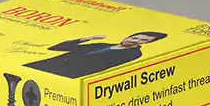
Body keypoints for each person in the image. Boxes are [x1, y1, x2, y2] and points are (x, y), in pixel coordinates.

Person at [21, 31, 167, 79]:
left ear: (147, 44)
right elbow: (56, 48)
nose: (135, 41)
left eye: (143, 40)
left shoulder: (134, 54)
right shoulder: (101, 44)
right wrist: (85, 39)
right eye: (135, 37)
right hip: (45, 65)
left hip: (66, 76)